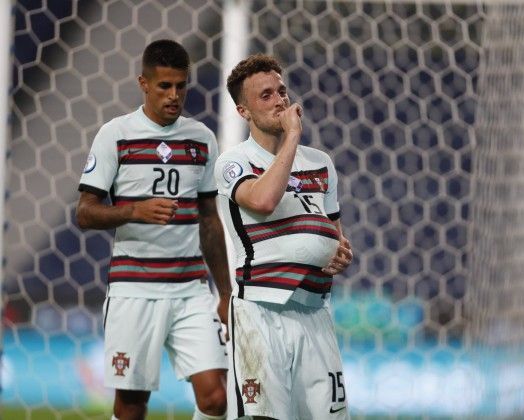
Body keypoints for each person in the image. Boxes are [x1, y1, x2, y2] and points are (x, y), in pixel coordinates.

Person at [76, 39, 230, 420]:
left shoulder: (201, 139)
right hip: (134, 290)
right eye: (164, 86)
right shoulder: (116, 135)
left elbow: (209, 218)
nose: (174, 95)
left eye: (181, 85)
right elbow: (85, 212)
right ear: (143, 83)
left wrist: (225, 291)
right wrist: (134, 210)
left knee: (216, 400)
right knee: (131, 407)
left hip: (190, 289)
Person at [215, 54, 354, 419]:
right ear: (243, 111)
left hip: (315, 313)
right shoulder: (234, 162)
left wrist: (340, 252)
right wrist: (292, 136)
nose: (279, 100)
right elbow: (262, 200)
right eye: (266, 96)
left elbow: (334, 235)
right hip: (260, 311)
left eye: (281, 90)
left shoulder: (321, 162)